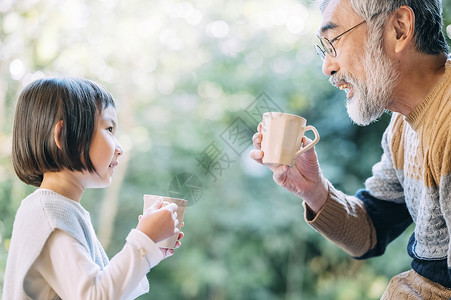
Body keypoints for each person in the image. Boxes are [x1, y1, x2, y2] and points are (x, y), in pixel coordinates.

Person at [250, 0, 451, 298]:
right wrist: (314, 190)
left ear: (399, 29)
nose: (327, 67)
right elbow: (372, 229)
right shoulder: (401, 126)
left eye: (335, 42)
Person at [3, 77, 184, 300]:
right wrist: (143, 240)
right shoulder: (50, 213)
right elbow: (96, 295)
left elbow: (102, 288)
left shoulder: (58, 208)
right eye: (109, 129)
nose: (119, 148)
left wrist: (153, 247)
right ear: (63, 134)